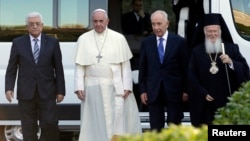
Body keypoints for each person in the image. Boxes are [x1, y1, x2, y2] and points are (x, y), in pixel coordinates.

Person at [74, 8, 142, 141]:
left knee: (117, 119)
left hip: (115, 85)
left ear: (107, 21)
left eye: (101, 21)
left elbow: (125, 65)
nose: (98, 24)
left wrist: (127, 86)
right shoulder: (83, 39)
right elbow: (80, 66)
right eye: (95, 21)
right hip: (93, 87)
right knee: (94, 120)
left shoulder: (119, 38)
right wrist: (78, 86)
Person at [5, 12, 65, 141]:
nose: (34, 26)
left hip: (48, 91)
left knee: (49, 123)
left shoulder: (53, 42)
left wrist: (61, 90)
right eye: (31, 24)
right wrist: (9, 88)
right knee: (28, 126)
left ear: (42, 26)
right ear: (27, 27)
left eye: (37, 24)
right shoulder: (18, 43)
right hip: (26, 92)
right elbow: (12, 68)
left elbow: (59, 68)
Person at [188, 13, 250, 127]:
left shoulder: (231, 48)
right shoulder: (196, 51)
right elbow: (191, 75)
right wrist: (202, 93)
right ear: (204, 32)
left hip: (226, 101)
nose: (212, 34)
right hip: (205, 102)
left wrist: (231, 62)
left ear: (220, 31)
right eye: (209, 31)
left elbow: (245, 70)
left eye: (215, 31)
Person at [138, 10, 189, 132]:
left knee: (174, 125)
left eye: (159, 24)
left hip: (174, 91)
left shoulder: (179, 42)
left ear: (167, 24)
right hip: (153, 90)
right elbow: (143, 68)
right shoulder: (146, 43)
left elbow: (185, 68)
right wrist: (143, 90)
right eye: (153, 24)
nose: (156, 27)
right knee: (155, 127)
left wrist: (186, 90)